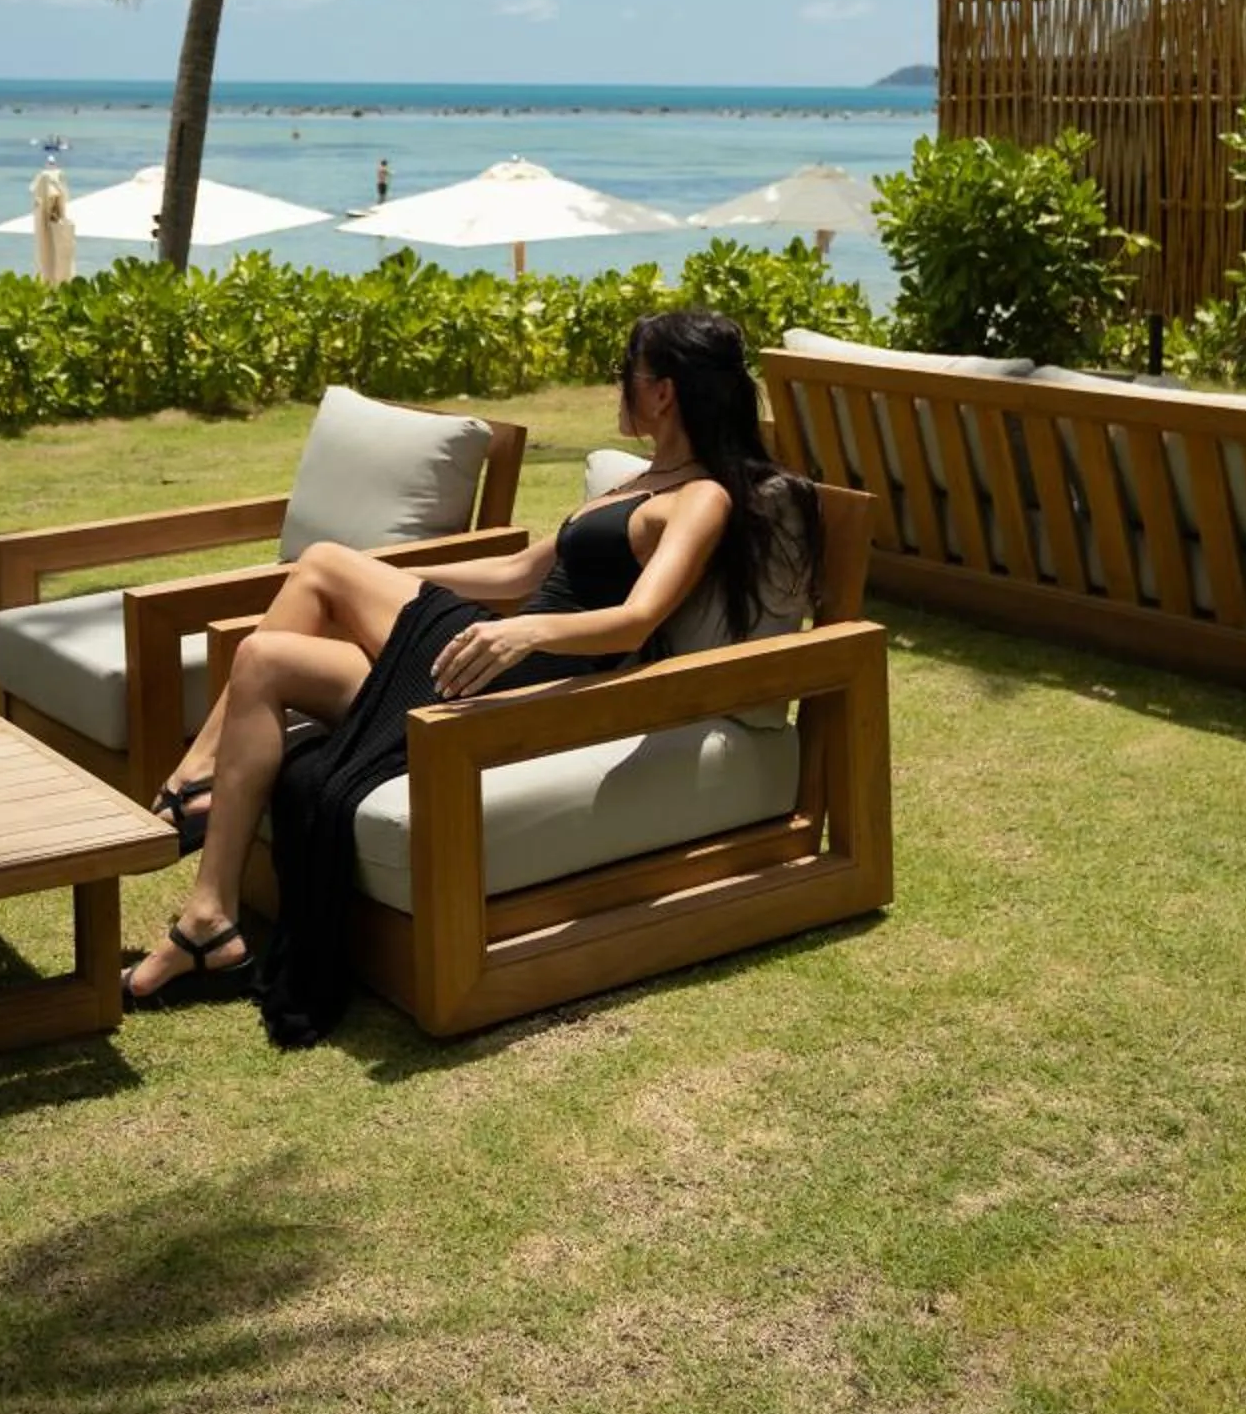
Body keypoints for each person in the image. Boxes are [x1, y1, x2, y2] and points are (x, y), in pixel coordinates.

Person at [123, 309, 819, 1043]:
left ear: (663, 392)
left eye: (627, 373)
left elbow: (638, 620)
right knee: (267, 654)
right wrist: (394, 573)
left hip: (525, 667)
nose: (619, 387)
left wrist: (527, 630)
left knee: (324, 563)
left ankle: (186, 790)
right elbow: (520, 570)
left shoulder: (701, 497)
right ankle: (211, 919)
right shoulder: (643, 480)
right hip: (487, 646)